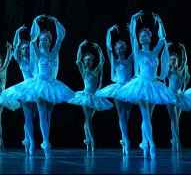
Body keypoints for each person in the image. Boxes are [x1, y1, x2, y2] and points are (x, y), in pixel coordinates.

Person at [7, 15, 74, 156]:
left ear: (49, 41)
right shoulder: (34, 52)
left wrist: (55, 21)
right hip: (34, 85)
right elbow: (30, 40)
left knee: (46, 115)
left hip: (50, 84)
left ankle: (44, 142)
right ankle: (34, 143)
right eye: (41, 39)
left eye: (46, 39)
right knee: (32, 116)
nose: (43, 41)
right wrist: (35, 21)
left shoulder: (54, 51)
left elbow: (61, 37)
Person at [114, 12, 176, 157]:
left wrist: (160, 22)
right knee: (145, 115)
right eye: (141, 36)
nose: (143, 37)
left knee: (148, 116)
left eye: (146, 35)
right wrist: (133, 19)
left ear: (150, 37)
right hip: (141, 85)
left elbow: (163, 38)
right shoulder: (137, 52)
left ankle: (145, 142)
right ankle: (152, 145)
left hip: (154, 85)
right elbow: (133, 37)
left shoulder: (154, 52)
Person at [95, 24, 134, 155]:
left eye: (122, 47)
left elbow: (136, 48)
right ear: (116, 50)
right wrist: (109, 32)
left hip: (129, 88)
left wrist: (132, 32)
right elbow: (108, 47)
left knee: (127, 115)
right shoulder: (114, 61)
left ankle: (124, 137)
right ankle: (126, 140)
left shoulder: (129, 59)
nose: (120, 49)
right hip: (118, 88)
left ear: (125, 48)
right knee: (121, 114)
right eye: (118, 47)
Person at [67, 40, 112, 152]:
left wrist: (99, 49)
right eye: (86, 60)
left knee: (88, 120)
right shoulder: (84, 71)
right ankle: (92, 141)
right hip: (85, 96)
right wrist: (80, 46)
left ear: (92, 61)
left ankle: (87, 140)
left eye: (90, 60)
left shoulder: (96, 70)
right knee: (88, 119)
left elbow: (102, 61)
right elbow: (77, 61)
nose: (88, 62)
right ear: (84, 61)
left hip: (94, 96)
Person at [2, 25, 38, 155]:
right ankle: (31, 142)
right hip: (25, 89)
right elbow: (15, 46)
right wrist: (17, 32)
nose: (25, 49)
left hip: (36, 88)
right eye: (24, 48)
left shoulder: (34, 59)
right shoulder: (20, 60)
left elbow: (34, 46)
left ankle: (27, 138)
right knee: (28, 116)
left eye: (27, 48)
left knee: (33, 117)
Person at [165, 42, 191, 152]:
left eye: (174, 59)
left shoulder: (180, 70)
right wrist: (165, 48)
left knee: (176, 120)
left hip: (179, 95)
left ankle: (174, 139)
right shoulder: (168, 71)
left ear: (177, 61)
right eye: (171, 59)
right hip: (169, 95)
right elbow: (164, 61)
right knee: (173, 119)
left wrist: (183, 49)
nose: (173, 61)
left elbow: (184, 61)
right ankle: (178, 141)